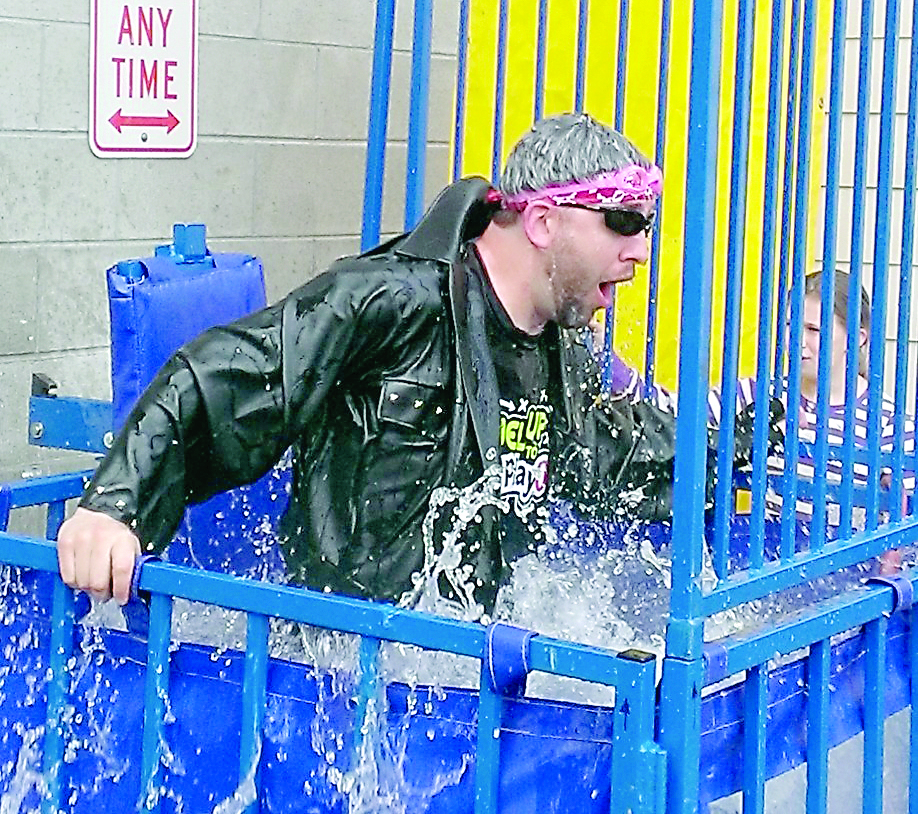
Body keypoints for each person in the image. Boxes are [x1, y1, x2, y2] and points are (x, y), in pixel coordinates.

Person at [57, 112, 681, 614]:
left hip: (467, 673)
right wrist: (115, 506)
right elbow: (227, 374)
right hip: (339, 676)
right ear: (543, 221)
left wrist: (746, 438)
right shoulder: (391, 303)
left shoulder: (559, 351)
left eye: (647, 226)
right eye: (623, 221)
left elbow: (615, 455)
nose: (642, 250)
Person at [605, 267, 915, 535]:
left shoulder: (889, 422)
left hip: (840, 582)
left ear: (858, 338)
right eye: (791, 325)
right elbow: (671, 412)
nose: (796, 340)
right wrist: (606, 361)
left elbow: (904, 520)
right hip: (759, 564)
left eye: (813, 330)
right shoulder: (757, 395)